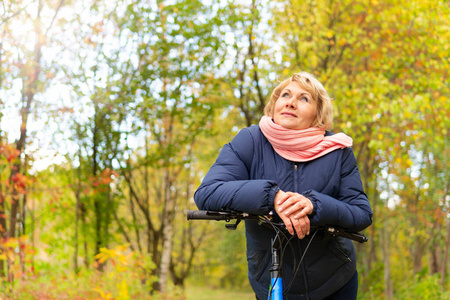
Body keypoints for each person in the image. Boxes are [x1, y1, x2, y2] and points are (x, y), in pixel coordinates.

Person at [194, 71, 372, 300]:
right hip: (272, 281)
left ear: (319, 114)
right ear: (275, 104)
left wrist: (314, 205)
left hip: (335, 283)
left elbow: (361, 213)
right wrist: (272, 197)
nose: (290, 102)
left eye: (304, 98)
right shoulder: (250, 141)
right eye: (285, 95)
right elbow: (208, 192)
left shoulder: (338, 151)